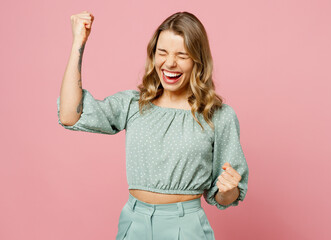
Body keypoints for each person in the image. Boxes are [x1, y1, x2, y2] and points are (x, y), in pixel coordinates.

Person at [57, 10, 249, 240]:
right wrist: (78, 42)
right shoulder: (133, 104)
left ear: (198, 60)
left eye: (182, 55)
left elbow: (224, 198)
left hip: (186, 227)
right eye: (162, 53)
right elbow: (70, 115)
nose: (170, 63)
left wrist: (229, 190)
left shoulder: (218, 116)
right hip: (133, 223)